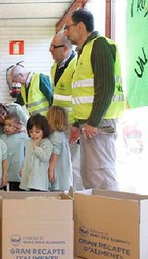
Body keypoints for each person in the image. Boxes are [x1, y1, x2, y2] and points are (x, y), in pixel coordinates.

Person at [64, 9, 125, 190]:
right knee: (91, 176)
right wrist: (77, 123)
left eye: (68, 28)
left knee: (101, 175)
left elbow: (105, 87)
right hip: (90, 124)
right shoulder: (84, 51)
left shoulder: (99, 45)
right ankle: (100, 214)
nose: (66, 33)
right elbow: (84, 94)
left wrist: (93, 122)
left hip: (99, 124)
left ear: (80, 26)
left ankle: (111, 215)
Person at [49, 32, 83, 190]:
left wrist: (77, 123)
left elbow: (80, 97)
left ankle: (77, 197)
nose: (50, 50)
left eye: (53, 47)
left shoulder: (76, 66)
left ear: (64, 48)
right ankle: (64, 192)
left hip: (72, 125)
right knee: (61, 161)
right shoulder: (54, 67)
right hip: (58, 125)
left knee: (74, 163)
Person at [19, 114, 53, 191]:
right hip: (27, 176)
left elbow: (45, 158)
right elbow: (26, 157)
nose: (34, 134)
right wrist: (22, 168)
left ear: (44, 130)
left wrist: (36, 147)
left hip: (38, 180)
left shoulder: (47, 143)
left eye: (37, 132)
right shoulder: (28, 142)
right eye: (31, 132)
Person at [0, 112, 29, 191]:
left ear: (17, 126)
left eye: (9, 125)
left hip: (18, 173)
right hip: (6, 174)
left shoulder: (24, 137)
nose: (6, 128)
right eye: (5, 125)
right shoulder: (2, 137)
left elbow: (28, 154)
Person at [47, 106, 73, 191]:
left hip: (57, 170)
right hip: (64, 171)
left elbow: (55, 153)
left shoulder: (55, 136)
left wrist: (51, 169)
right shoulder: (62, 135)